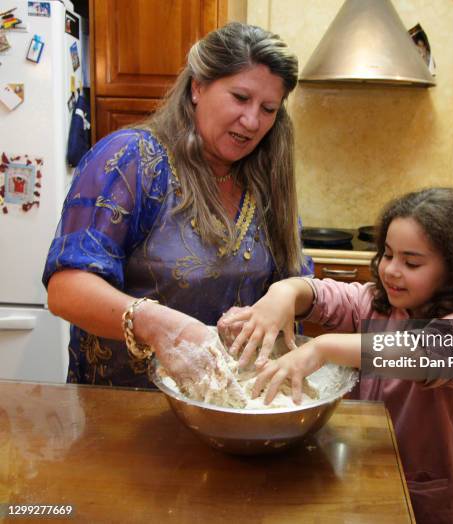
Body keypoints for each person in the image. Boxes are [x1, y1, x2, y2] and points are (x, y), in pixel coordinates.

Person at [220, 187, 453, 524]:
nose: (391, 270)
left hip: (425, 500)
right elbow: (322, 294)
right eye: (387, 254)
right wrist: (284, 292)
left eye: (411, 262)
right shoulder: (376, 304)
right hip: (361, 478)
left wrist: (322, 348)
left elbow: (421, 352)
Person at [43, 22, 311, 389]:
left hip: (230, 407)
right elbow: (66, 290)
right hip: (127, 412)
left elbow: (297, 285)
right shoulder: (133, 160)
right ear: (198, 87)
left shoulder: (264, 181)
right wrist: (159, 324)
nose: (252, 121)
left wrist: (279, 303)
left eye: (268, 108)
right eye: (240, 97)